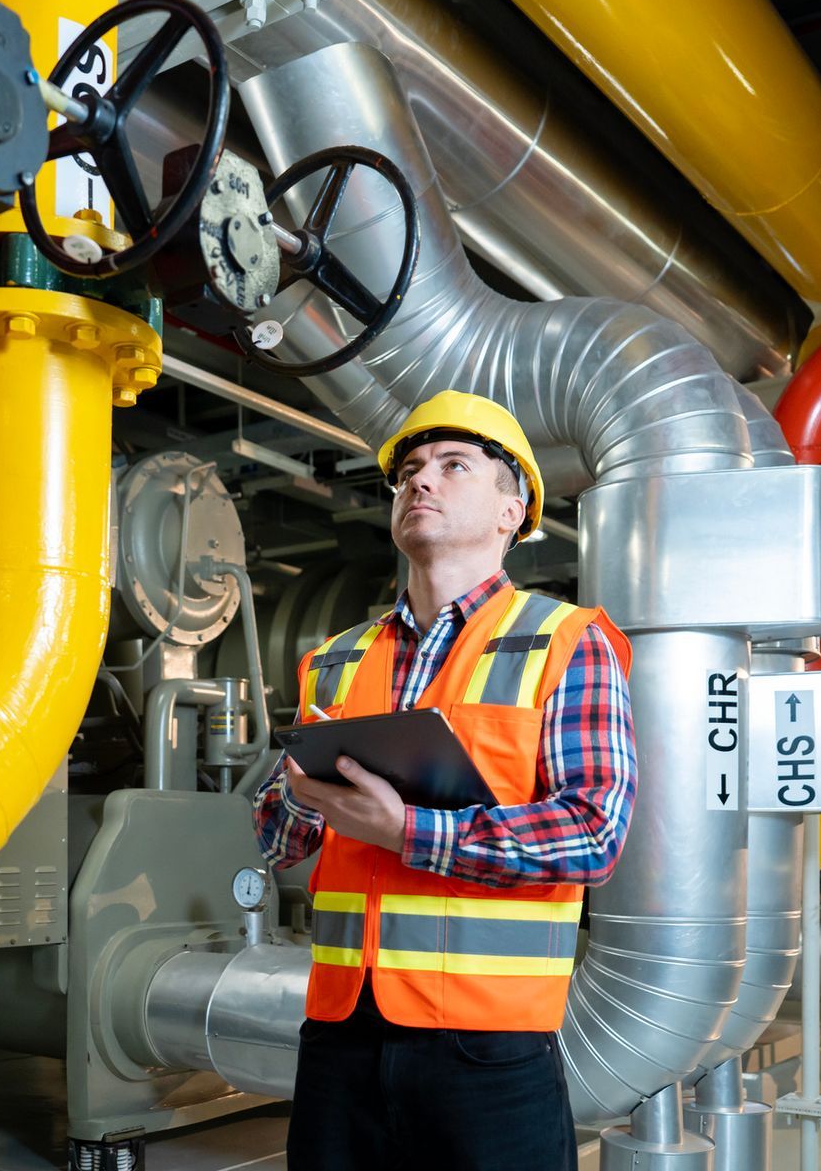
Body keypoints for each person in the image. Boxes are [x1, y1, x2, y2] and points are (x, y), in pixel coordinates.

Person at [252, 390, 636, 1171]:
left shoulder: (564, 642)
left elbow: (594, 833)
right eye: (408, 473)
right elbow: (273, 836)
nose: (420, 482)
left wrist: (408, 832)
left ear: (511, 510)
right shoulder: (335, 658)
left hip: (486, 1048)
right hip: (339, 1036)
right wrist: (301, 792)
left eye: (453, 466)